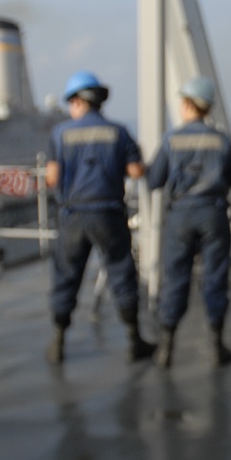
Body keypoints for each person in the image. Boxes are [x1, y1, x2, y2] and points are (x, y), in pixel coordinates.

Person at [45, 71, 154, 364]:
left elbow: (52, 178)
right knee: (120, 272)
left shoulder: (59, 133)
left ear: (79, 101)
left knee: (66, 276)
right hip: (109, 214)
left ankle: (58, 342)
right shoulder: (118, 131)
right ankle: (134, 340)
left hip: (73, 215)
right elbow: (136, 172)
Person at [147, 76, 231, 368]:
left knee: (175, 278)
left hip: (180, 215)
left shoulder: (171, 139)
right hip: (213, 214)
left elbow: (154, 179)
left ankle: (166, 348)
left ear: (188, 104)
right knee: (215, 278)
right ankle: (216, 346)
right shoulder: (222, 140)